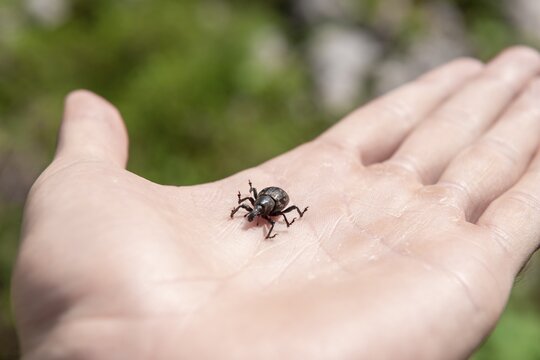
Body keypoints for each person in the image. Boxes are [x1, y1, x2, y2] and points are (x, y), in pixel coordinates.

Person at [11, 46, 540, 359]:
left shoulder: (274, 207)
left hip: (285, 197)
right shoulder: (261, 208)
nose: (257, 215)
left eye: (260, 212)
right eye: (258, 212)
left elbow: (274, 207)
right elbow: (260, 207)